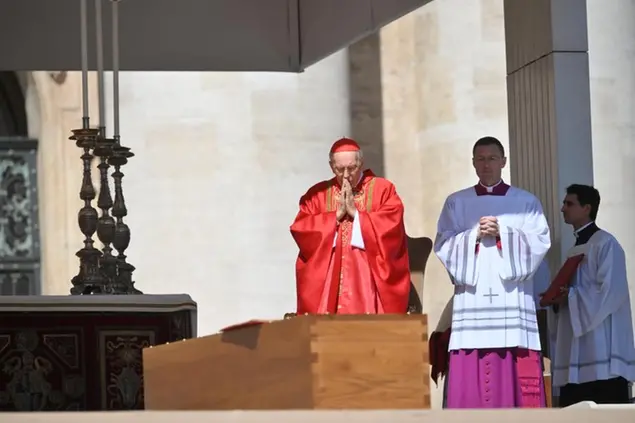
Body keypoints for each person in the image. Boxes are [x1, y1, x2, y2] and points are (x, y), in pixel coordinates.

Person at [433, 136, 551, 408]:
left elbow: (540, 243)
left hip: (511, 299)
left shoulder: (526, 202)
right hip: (472, 299)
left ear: (503, 162)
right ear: (473, 163)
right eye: (481, 159)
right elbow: (443, 243)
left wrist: (503, 233)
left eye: (492, 159)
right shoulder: (456, 202)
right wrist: (473, 235)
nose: (486, 165)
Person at [289, 137, 411, 315]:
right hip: (329, 279)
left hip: (367, 279)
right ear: (331, 166)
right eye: (340, 169)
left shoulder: (383, 190)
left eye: (352, 168)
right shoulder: (317, 195)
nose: (346, 175)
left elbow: (392, 225)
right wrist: (334, 217)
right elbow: (301, 228)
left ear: (361, 163)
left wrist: (358, 216)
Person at [547, 184, 635, 406]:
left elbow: (610, 292)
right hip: (576, 346)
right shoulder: (574, 249)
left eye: (569, 203)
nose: (563, 208)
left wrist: (570, 296)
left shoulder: (605, 243)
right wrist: (557, 299)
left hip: (601, 349)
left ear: (587, 208)